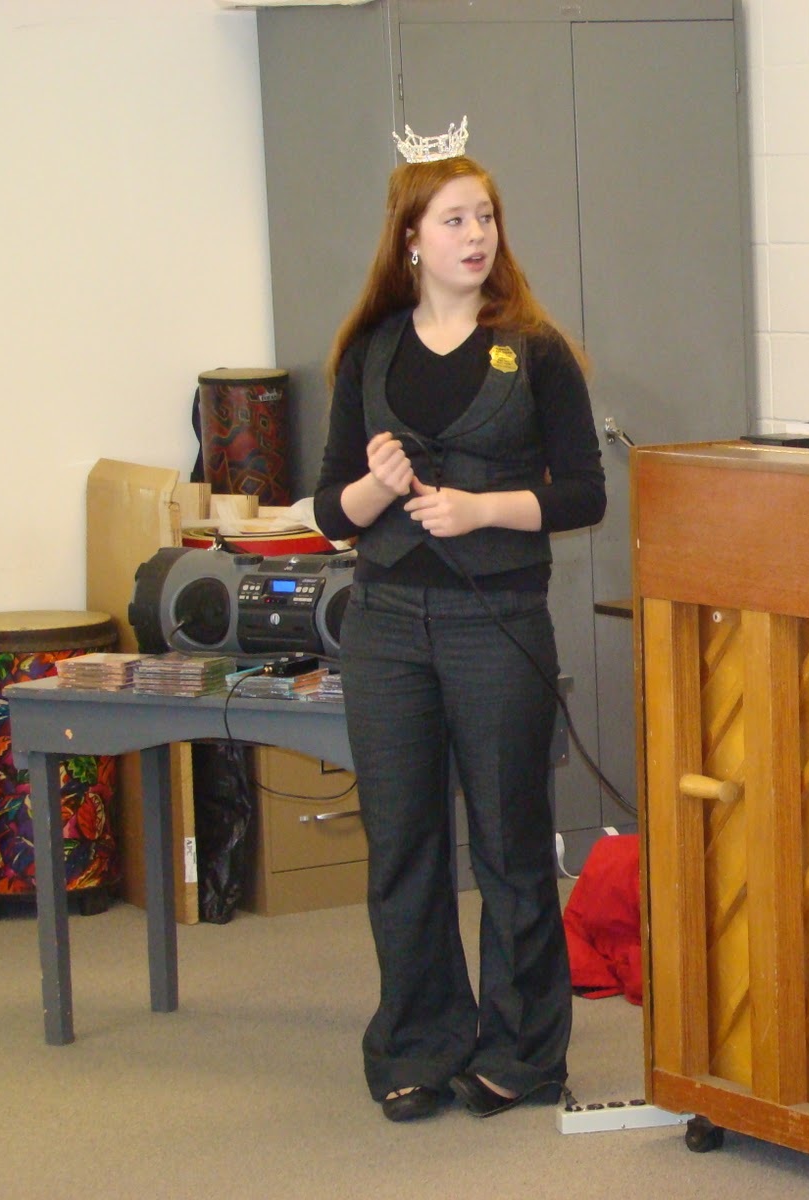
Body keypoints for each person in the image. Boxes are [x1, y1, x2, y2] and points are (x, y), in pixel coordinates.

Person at [312, 117, 605, 1123]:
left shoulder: (536, 352)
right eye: (453, 218)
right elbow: (327, 513)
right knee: (401, 844)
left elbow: (584, 495)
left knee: (511, 847)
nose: (474, 234)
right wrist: (372, 485)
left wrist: (483, 509)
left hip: (498, 624)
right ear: (411, 240)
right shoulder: (370, 351)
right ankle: (416, 1043)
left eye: (484, 216)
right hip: (387, 624)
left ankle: (521, 1052)